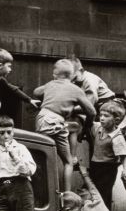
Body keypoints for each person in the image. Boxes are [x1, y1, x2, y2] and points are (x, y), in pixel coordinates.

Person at [32, 59, 96, 189]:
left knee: (42, 156)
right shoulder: (75, 90)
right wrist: (88, 125)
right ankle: (67, 194)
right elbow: (92, 112)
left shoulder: (51, 84)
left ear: (54, 75)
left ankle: (38, 189)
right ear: (72, 76)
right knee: (67, 162)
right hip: (55, 121)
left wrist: (50, 93)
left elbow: (36, 92)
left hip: (41, 119)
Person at [87, 100, 126, 211]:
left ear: (116, 120)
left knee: (103, 197)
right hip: (95, 166)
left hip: (107, 170)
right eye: (100, 115)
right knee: (90, 193)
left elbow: (124, 157)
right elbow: (89, 123)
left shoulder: (116, 138)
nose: (101, 118)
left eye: (106, 116)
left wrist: (125, 171)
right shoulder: (98, 128)